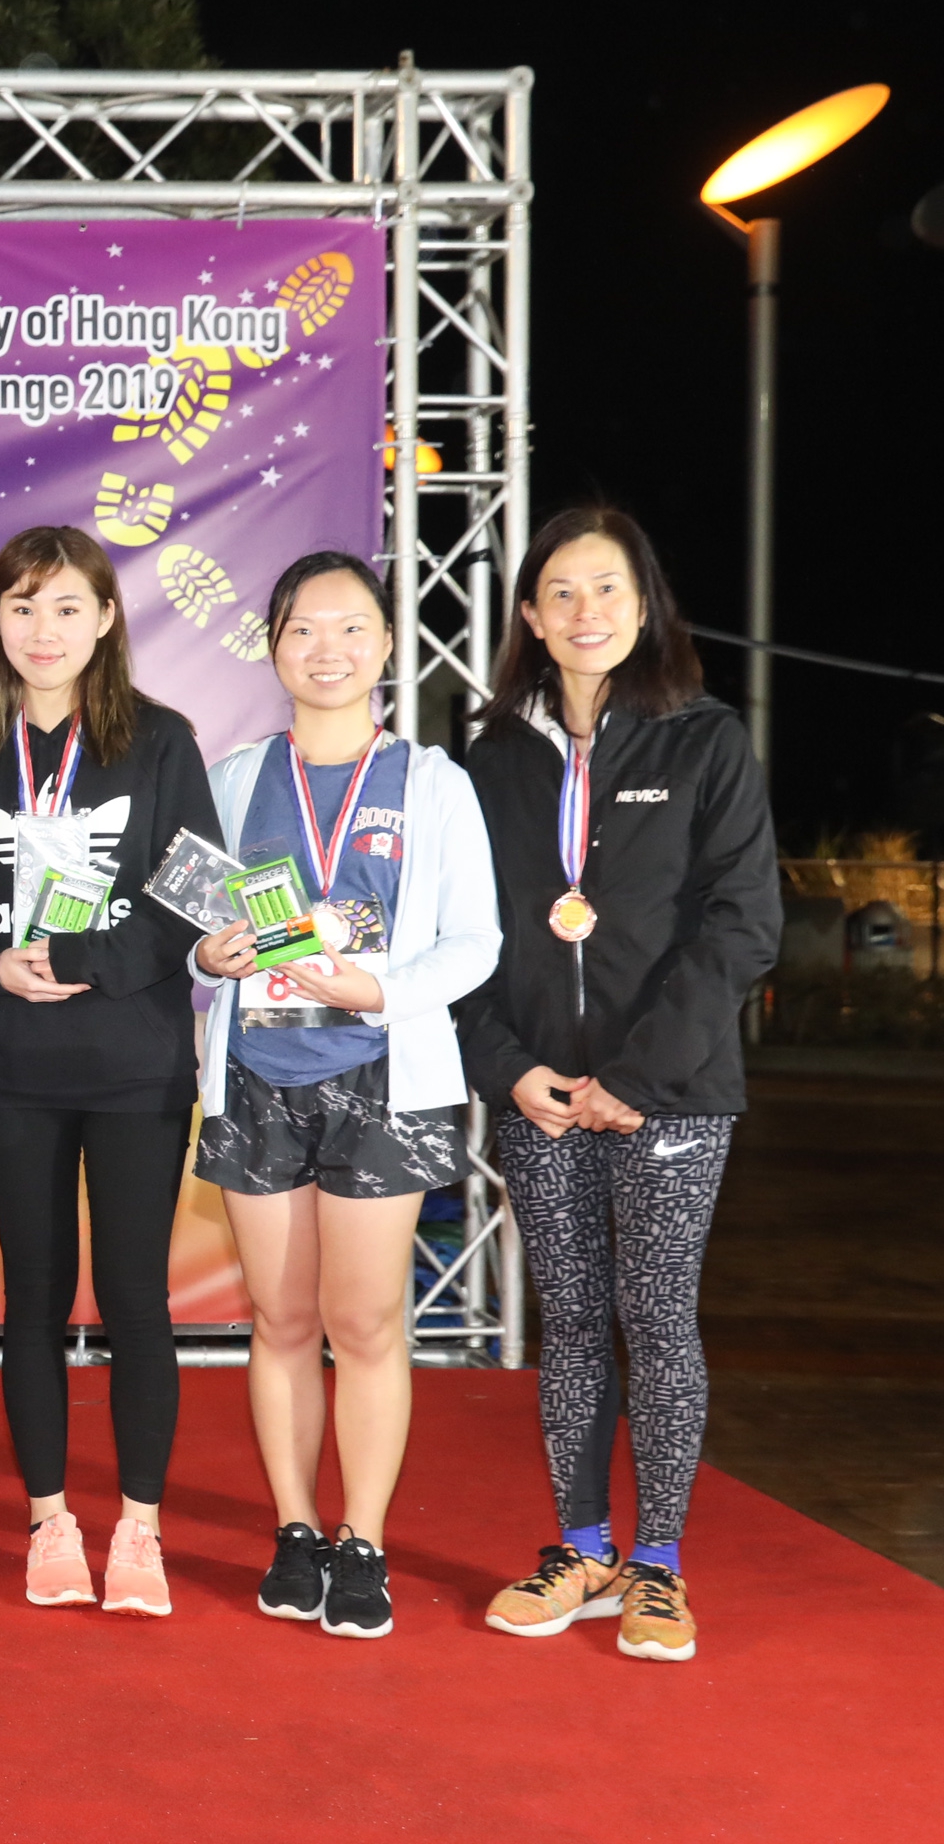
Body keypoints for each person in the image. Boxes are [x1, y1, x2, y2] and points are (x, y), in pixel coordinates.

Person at [457, 508, 779, 1663]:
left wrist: (633, 1076)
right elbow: (463, 934)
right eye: (563, 592)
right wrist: (512, 1069)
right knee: (575, 1323)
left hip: (673, 1096)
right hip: (541, 1091)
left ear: (645, 607)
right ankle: (582, 1545)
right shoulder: (490, 754)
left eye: (609, 589)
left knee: (656, 1317)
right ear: (533, 619)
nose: (587, 611)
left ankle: (660, 1564)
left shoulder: (704, 741)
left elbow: (744, 926)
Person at [188, 550, 500, 1639]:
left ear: (384, 646)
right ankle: (294, 1526)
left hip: (383, 1076)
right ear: (273, 644)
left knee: (363, 1321)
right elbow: (198, 940)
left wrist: (383, 987)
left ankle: (363, 1537)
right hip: (256, 1077)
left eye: (351, 628)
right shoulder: (230, 779)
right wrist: (212, 960)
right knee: (277, 1319)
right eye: (303, 629)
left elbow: (477, 939)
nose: (327, 649)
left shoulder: (432, 782)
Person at [0, 526, 216, 1616]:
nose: (43, 630)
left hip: (137, 1061)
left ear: (104, 620)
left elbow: (198, 899)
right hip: (16, 1067)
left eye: (65, 607)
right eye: (21, 606)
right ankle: (49, 1518)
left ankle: (140, 1526)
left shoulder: (162, 743)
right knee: (32, 1300)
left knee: (138, 1298)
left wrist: (85, 956)